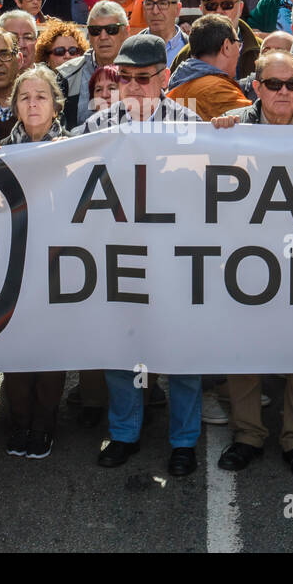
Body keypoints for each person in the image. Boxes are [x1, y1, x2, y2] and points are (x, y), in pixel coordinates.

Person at [208, 50, 293, 479]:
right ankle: (247, 436)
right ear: (257, 86)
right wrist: (220, 137)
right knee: (243, 349)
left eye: (292, 84)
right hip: (245, 259)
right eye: (274, 84)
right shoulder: (231, 128)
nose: (284, 92)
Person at [82, 34, 203, 476]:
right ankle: (125, 433)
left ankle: (184, 441)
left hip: (176, 256)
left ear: (165, 77)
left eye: (143, 78)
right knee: (123, 348)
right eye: (125, 77)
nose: (132, 85)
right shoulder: (98, 125)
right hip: (120, 254)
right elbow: (60, 166)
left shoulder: (191, 126)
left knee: (183, 354)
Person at [0, 65, 69, 459]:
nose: (33, 103)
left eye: (41, 96)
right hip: (15, 266)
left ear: (56, 106)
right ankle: (18, 419)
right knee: (18, 347)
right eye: (25, 97)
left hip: (59, 266)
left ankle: (45, 423)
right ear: (15, 107)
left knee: (50, 347)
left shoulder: (77, 149)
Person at [164, 14, 252, 120]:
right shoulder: (218, 91)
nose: (239, 53)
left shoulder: (175, 86)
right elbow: (252, 127)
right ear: (226, 46)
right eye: (238, 44)